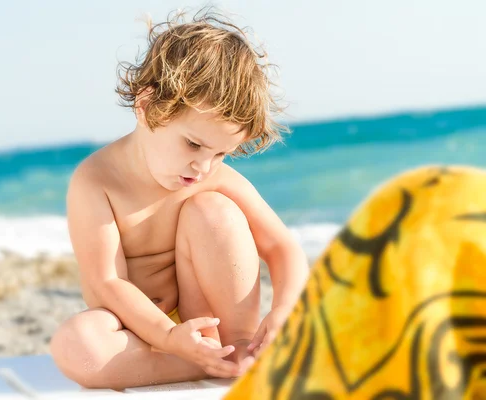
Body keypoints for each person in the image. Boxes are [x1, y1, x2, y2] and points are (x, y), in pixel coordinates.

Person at [50, 7, 309, 390]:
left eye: (220, 153)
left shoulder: (211, 178)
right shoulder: (97, 182)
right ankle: (217, 365)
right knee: (78, 344)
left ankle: (237, 345)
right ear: (147, 106)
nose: (203, 167)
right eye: (193, 144)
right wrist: (170, 339)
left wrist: (285, 309)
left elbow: (282, 246)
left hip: (211, 326)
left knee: (214, 209)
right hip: (139, 328)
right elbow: (107, 283)